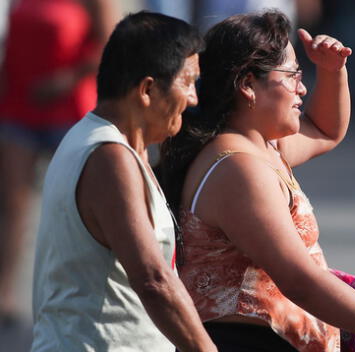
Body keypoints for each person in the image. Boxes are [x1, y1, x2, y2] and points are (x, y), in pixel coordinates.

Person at [160, 10, 355, 352]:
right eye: (291, 75)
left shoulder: (260, 146)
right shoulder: (237, 169)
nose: (302, 87)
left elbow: (326, 130)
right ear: (248, 85)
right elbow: (299, 280)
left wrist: (332, 71)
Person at [31, 12, 217, 351]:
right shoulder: (108, 157)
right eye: (187, 83)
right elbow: (153, 280)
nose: (193, 99)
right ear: (146, 90)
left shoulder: (112, 147)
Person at [0, 0, 118, 324]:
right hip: (18, 107)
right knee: (12, 206)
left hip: (68, 108)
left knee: (76, 205)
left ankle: (84, 294)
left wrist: (65, 80)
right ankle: (5, 295)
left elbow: (109, 47)